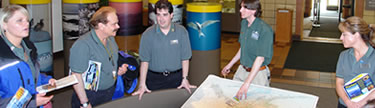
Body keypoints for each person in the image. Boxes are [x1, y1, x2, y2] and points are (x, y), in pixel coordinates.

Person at [132, 0, 196, 100]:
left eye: (165, 15)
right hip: (154, 81)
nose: (161, 19)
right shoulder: (147, 35)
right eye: (158, 15)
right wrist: (142, 84)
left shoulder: (182, 32)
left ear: (171, 15)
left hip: (176, 80)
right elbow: (144, 61)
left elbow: (185, 58)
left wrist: (185, 79)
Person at [69, 6, 128, 108]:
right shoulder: (83, 45)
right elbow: (76, 76)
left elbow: (108, 62)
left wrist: (118, 71)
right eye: (114, 24)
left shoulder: (110, 39)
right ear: (101, 26)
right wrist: (85, 102)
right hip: (90, 96)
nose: (118, 26)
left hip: (109, 92)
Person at [0, 5, 55, 107]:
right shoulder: (2, 57)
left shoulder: (29, 48)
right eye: (19, 21)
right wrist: (31, 103)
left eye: (27, 20)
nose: (26, 24)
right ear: (4, 25)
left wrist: (46, 80)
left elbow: (29, 74)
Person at [221, 0, 273, 100]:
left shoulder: (265, 29)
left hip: (257, 74)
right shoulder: (244, 23)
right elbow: (243, 48)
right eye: (241, 7)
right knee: (235, 100)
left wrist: (247, 83)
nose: (240, 10)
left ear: (253, 10)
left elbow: (260, 58)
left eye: (245, 7)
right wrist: (229, 65)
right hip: (242, 70)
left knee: (256, 103)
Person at [335, 16, 375, 108]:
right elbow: (339, 83)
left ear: (356, 35)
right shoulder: (344, 55)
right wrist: (347, 102)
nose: (341, 38)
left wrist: (361, 103)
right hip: (344, 104)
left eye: (344, 34)